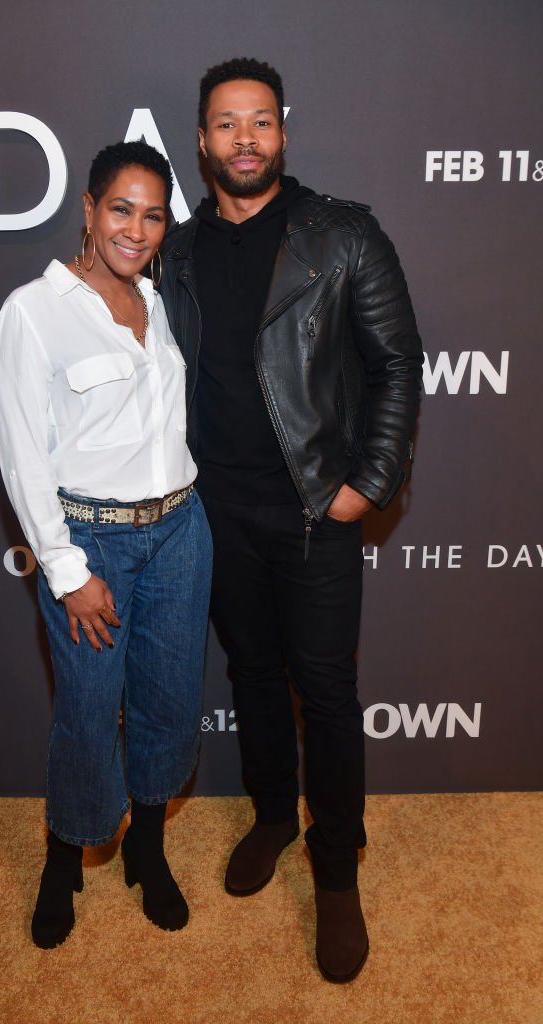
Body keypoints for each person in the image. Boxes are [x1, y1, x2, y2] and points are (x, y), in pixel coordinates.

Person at [160, 58, 423, 982]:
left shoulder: (341, 234)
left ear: (283, 132)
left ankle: (337, 869)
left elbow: (397, 363)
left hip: (317, 511)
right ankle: (274, 813)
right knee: (254, 674)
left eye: (259, 122)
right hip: (215, 511)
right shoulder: (181, 251)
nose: (244, 139)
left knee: (328, 691)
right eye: (226, 124)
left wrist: (369, 481)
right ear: (201, 141)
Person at [0, 141, 212, 948]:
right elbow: (22, 455)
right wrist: (65, 571)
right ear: (87, 208)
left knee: (166, 698)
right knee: (86, 712)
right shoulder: (33, 311)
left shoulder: (160, 303)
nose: (137, 228)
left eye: (153, 214)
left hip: (182, 533)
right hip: (93, 543)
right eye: (121, 208)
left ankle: (147, 850)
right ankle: (63, 859)